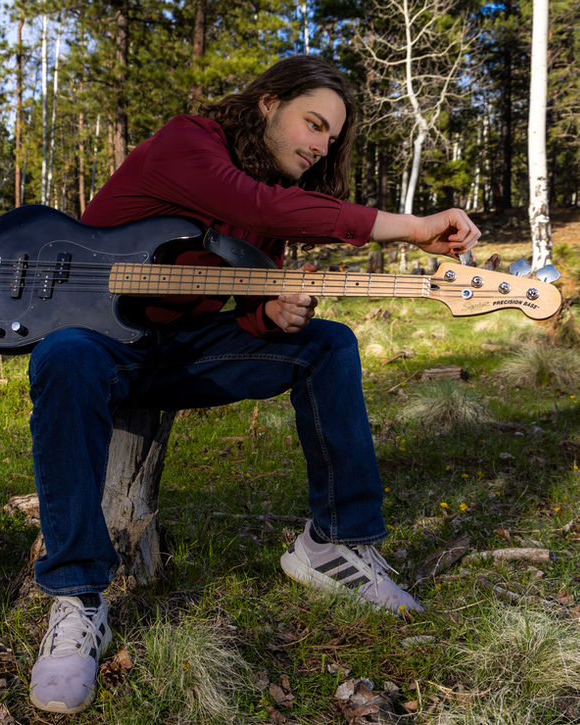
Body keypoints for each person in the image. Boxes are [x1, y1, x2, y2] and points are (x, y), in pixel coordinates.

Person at [26, 54, 480, 715]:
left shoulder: (270, 210)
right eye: (314, 123)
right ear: (269, 102)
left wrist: (268, 315)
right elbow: (261, 203)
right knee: (64, 354)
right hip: (99, 347)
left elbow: (243, 302)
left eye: (332, 138)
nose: (322, 146)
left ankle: (336, 543)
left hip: (182, 355)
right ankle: (76, 599)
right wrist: (411, 227)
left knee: (327, 344)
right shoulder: (189, 141)